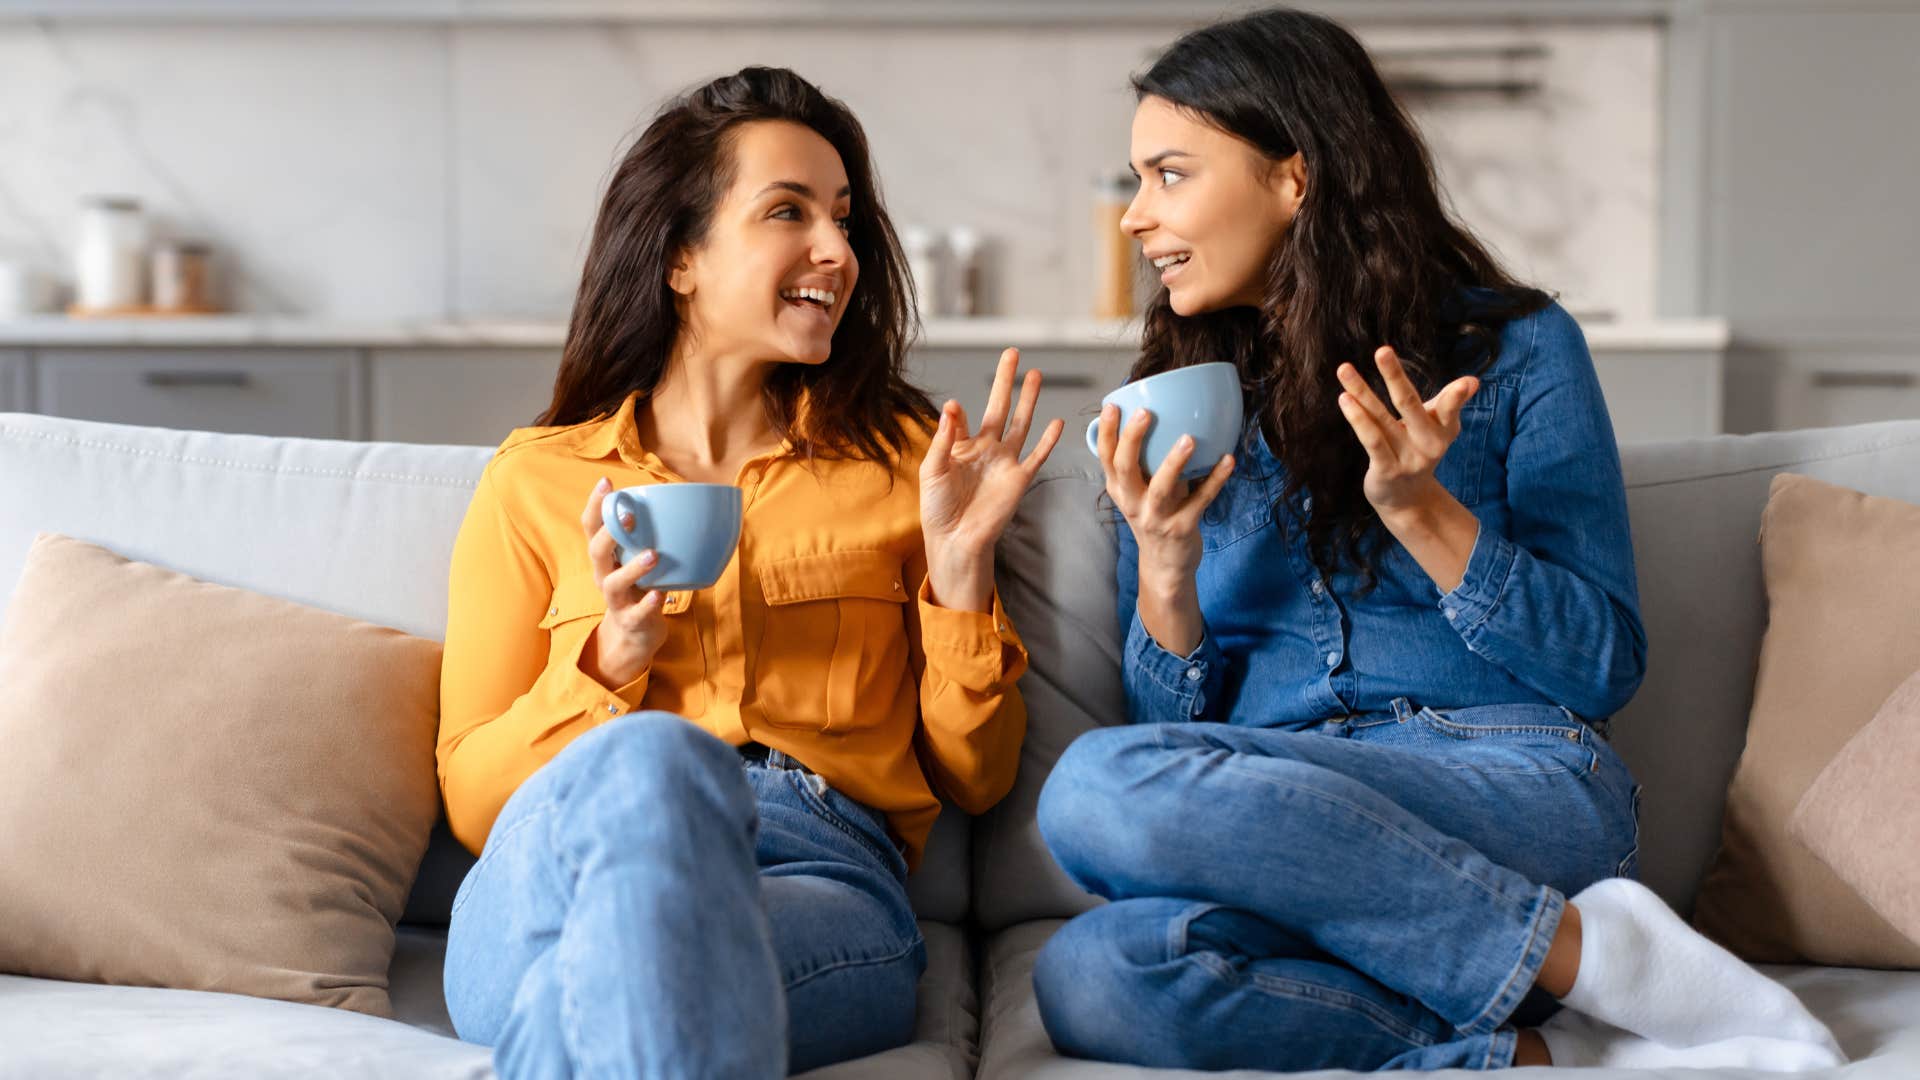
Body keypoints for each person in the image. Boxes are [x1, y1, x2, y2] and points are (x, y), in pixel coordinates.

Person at [1032, 8, 1845, 1072]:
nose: (1138, 217)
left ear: (1294, 177)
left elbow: (1599, 667)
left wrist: (1424, 512)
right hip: (1296, 819)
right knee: (1094, 972)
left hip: (1508, 784)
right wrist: (1168, 571)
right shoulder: (1174, 405)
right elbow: (1176, 747)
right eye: (1138, 180)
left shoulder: (1515, 350)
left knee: (1091, 787)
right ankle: (1553, 1002)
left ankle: (1561, 951)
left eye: (1170, 174)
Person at [436, 66, 1063, 1078]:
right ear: (681, 257)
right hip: (556, 864)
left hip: (813, 871)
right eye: (789, 211)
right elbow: (473, 798)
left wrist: (958, 574)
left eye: (845, 218)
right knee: (654, 763)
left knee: (589, 991)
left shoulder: (904, 459)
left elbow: (977, 777)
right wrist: (607, 661)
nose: (837, 250)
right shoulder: (538, 480)